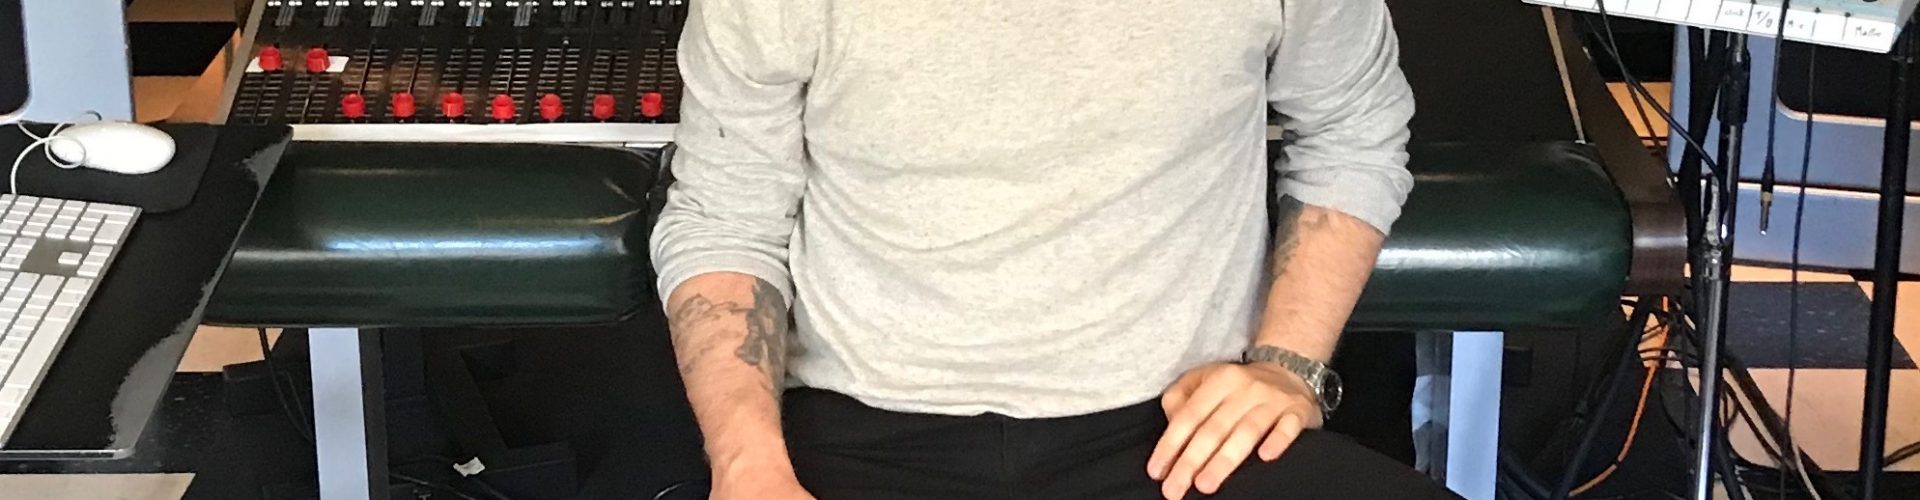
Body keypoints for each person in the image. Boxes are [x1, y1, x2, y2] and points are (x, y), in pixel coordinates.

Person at [650, 0, 1459, 498]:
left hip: (1185, 430)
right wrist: (749, 470)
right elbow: (727, 217)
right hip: (862, 434)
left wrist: (1287, 367)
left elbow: (1353, 129)